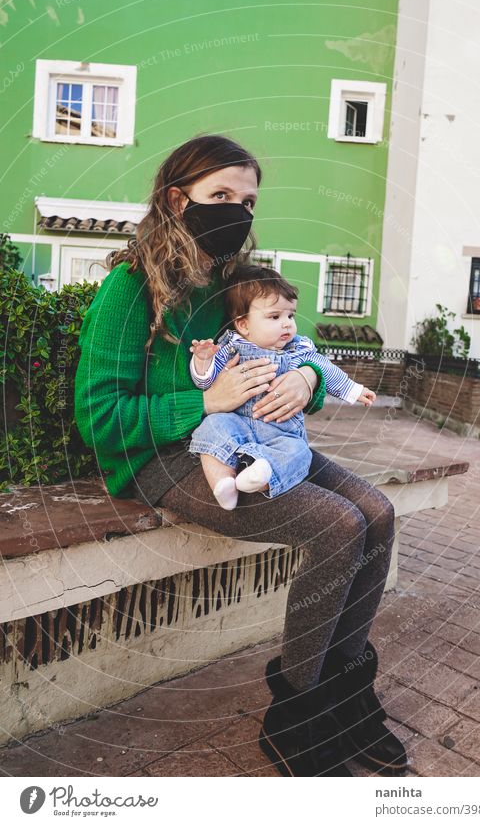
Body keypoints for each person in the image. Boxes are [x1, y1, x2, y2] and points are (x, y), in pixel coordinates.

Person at [74, 133, 408, 777]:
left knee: (378, 512)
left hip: (254, 439)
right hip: (162, 457)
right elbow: (100, 421)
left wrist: (306, 382)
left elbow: (288, 352)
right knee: (339, 526)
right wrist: (205, 402)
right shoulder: (130, 289)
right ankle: (298, 716)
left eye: (248, 202)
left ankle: (346, 701)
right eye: (219, 196)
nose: (237, 212)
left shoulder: (236, 283)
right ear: (178, 200)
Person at [187, 264, 377, 509]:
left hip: (281, 433)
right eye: (275, 317)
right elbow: (205, 382)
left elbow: (326, 370)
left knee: (299, 453)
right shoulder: (230, 347)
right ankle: (222, 482)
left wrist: (354, 390)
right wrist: (202, 361)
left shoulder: (298, 350)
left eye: (291, 315)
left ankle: (264, 474)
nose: (287, 324)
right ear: (243, 325)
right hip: (236, 424)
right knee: (212, 426)